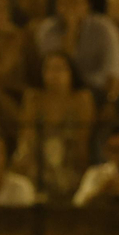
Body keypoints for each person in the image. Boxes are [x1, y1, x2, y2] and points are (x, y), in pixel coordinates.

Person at [15, 51, 93, 200]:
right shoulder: (34, 98)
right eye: (49, 69)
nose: (54, 74)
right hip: (38, 157)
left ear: (70, 72)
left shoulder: (82, 99)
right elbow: (26, 136)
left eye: (59, 69)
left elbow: (83, 142)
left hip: (70, 157)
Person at [36, 0, 119, 104]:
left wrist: (110, 104)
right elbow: (60, 69)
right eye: (63, 2)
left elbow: (115, 75)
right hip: (60, 93)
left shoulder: (105, 29)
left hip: (99, 93)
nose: (69, 8)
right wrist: (71, 32)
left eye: (74, 2)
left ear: (87, 6)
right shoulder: (47, 30)